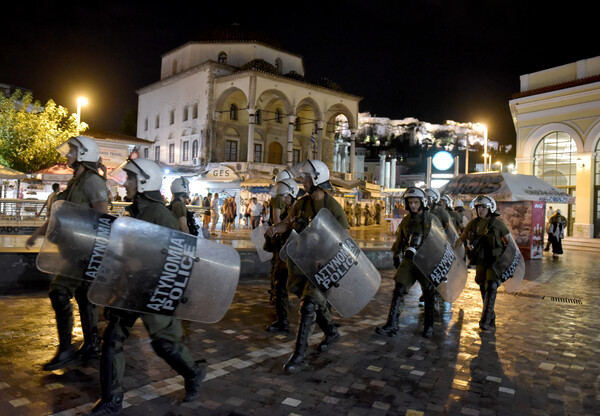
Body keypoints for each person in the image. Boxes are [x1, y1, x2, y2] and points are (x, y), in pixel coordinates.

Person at [88, 158, 205, 414]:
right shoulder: (138, 211)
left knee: (164, 343)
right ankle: (111, 399)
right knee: (112, 339)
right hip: (130, 288)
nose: (125, 183)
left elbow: (176, 258)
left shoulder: (160, 215)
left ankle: (194, 373)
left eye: (129, 179)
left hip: (154, 289)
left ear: (142, 182)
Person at [26, 136, 108, 370]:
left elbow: (102, 218)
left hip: (83, 252)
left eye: (72, 151)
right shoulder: (75, 182)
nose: (68, 155)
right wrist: (37, 234)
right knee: (83, 295)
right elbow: (59, 213)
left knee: (59, 292)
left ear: (84, 155)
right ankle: (91, 345)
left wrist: (94, 250)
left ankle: (66, 350)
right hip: (73, 250)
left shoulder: (93, 182)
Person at [266, 159, 348, 373]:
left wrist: (327, 256)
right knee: (315, 304)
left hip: (325, 268)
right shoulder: (301, 203)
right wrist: (277, 228)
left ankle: (299, 355)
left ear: (318, 179)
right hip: (303, 264)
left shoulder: (333, 208)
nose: (303, 181)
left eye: (306, 177)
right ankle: (331, 332)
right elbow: (289, 223)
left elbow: (344, 240)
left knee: (309, 305)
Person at [375, 187, 442, 339]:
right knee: (399, 289)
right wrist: (396, 254)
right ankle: (392, 324)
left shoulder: (431, 219)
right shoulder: (406, 220)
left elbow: (441, 241)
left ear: (422, 202)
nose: (412, 205)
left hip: (426, 261)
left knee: (429, 293)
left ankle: (429, 325)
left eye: (415, 202)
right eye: (410, 202)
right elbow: (400, 239)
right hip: (409, 260)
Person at [454, 195, 511, 331]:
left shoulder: (498, 224)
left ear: (490, 208)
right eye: (478, 207)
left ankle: (484, 320)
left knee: (491, 286)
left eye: (483, 207)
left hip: (494, 261)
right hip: (480, 261)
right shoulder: (473, 224)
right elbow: (462, 238)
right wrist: (452, 251)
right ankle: (491, 316)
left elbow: (509, 242)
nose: (480, 210)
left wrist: (511, 259)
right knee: (483, 288)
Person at [263, 178, 299, 333]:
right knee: (280, 287)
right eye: (282, 196)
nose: (283, 199)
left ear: (293, 193)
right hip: (285, 255)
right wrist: (274, 231)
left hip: (297, 257)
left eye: (285, 196)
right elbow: (283, 225)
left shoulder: (299, 209)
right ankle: (282, 321)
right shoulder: (289, 210)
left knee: (311, 295)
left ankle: (329, 326)